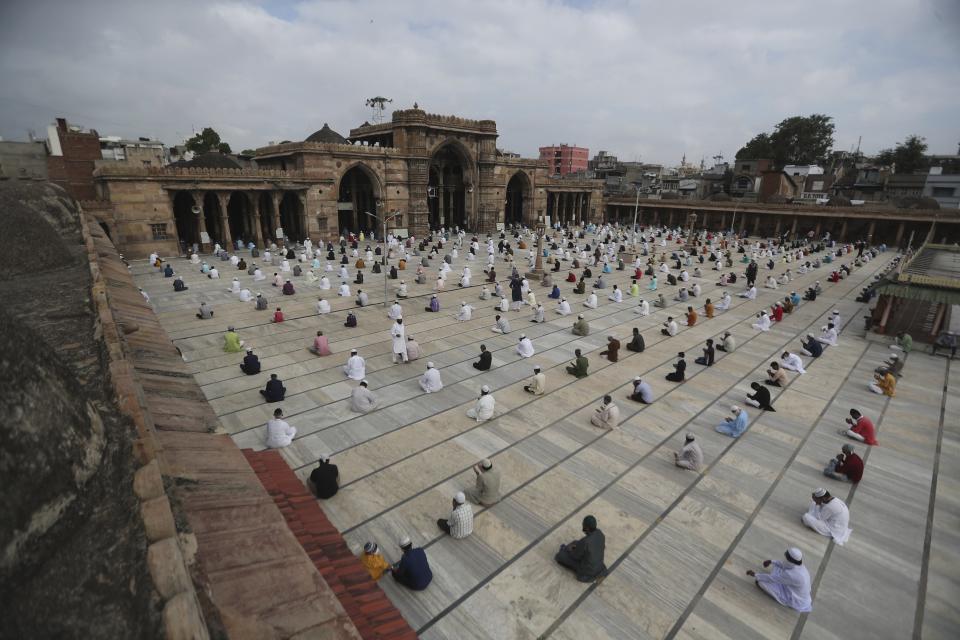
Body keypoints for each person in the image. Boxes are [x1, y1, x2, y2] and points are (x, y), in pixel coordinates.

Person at [746, 547, 812, 613]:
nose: (785, 558)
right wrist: (771, 561)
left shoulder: (792, 575)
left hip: (795, 599)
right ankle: (779, 579)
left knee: (760, 582)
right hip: (792, 586)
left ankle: (783, 599)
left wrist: (756, 575)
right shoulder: (799, 565)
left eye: (786, 556)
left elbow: (772, 579)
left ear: (790, 560)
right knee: (777, 566)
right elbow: (783, 565)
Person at [555, 515, 607, 583]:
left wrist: (568, 549)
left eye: (583, 525)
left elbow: (575, 556)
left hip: (587, 570)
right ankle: (599, 574)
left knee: (560, 555)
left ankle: (589, 576)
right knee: (576, 543)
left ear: (587, 528)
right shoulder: (600, 534)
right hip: (599, 566)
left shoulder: (585, 541)